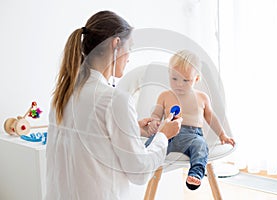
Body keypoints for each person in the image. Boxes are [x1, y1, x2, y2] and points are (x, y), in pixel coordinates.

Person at [45, 10, 182, 200]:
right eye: (130, 48)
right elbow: (139, 172)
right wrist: (163, 136)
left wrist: (133, 128)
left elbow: (90, 138)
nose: (129, 57)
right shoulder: (115, 100)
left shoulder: (61, 95)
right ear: (116, 44)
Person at [145, 50, 235, 190]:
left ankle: (195, 174)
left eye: (186, 80)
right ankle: (143, 163)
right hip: (168, 134)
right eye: (174, 79)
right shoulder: (164, 95)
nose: (179, 84)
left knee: (201, 147)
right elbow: (156, 114)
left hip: (193, 136)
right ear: (169, 75)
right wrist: (154, 122)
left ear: (196, 79)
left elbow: (211, 118)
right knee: (152, 142)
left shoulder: (202, 97)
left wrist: (222, 134)